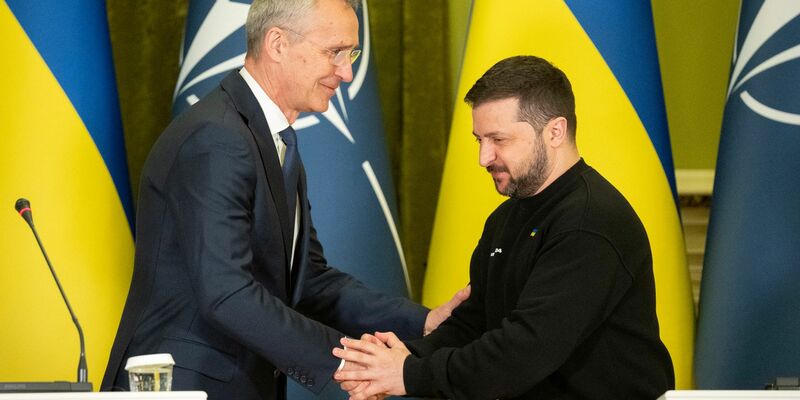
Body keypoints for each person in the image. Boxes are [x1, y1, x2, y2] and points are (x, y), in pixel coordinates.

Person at [101, 1, 467, 399]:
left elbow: (309, 282)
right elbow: (227, 292)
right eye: (335, 52)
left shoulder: (273, 140)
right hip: (184, 384)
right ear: (277, 43)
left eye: (351, 54)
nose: (346, 72)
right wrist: (346, 365)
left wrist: (425, 322)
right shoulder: (218, 138)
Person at [333, 55, 675, 399]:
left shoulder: (591, 222)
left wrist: (409, 374)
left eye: (499, 140)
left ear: (555, 131)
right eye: (478, 139)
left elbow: (525, 351)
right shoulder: (505, 218)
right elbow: (475, 321)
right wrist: (405, 358)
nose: (484, 157)